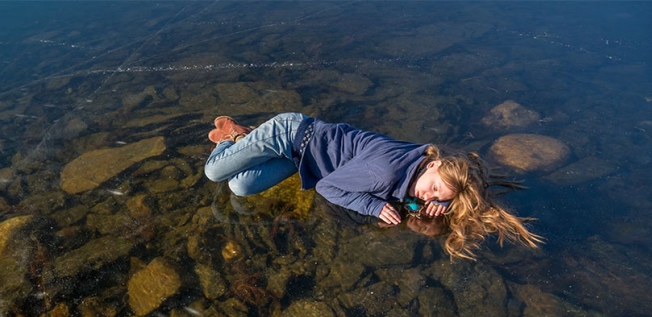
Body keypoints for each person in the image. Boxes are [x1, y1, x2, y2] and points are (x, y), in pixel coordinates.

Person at [204, 113, 542, 260]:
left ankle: (242, 138)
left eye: (439, 197)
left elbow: (417, 191)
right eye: (435, 187)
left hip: (299, 157)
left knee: (241, 188)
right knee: (215, 173)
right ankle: (233, 140)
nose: (429, 195)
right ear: (435, 165)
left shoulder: (421, 159)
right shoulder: (384, 172)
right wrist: (372, 206)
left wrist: (443, 205)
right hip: (290, 134)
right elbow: (327, 189)